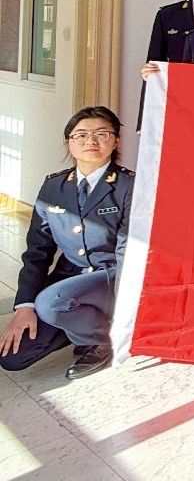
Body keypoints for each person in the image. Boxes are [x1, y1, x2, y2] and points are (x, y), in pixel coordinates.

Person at [0, 107, 133, 380]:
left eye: (102, 134)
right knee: (13, 358)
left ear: (116, 141)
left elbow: (126, 253)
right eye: (81, 135)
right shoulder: (54, 187)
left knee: (51, 303)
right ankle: (80, 325)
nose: (91, 141)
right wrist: (24, 306)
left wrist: (125, 310)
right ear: (69, 143)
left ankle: (101, 339)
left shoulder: (129, 186)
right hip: (69, 281)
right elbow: (37, 251)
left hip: (110, 278)